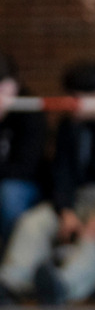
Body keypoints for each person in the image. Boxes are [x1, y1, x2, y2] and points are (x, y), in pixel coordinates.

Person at [0, 61, 95, 307]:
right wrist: (64, 209)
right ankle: (10, 283)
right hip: (76, 199)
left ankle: (63, 285)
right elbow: (61, 172)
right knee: (33, 223)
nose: (69, 102)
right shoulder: (71, 126)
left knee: (94, 240)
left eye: (75, 96)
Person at [0, 51, 48, 253]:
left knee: (9, 194)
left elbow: (26, 166)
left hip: (23, 184)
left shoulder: (30, 109)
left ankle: (11, 262)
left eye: (4, 86)